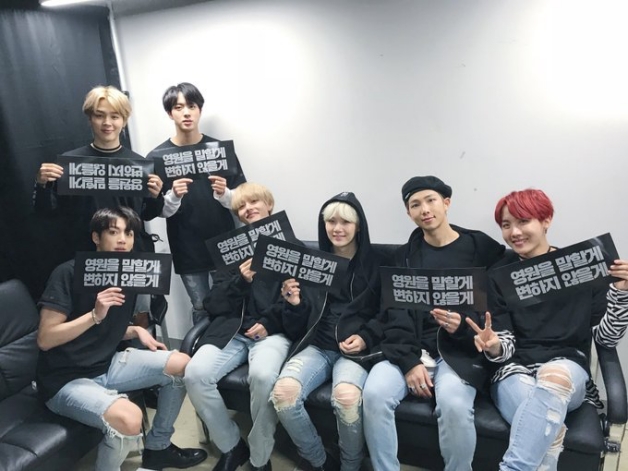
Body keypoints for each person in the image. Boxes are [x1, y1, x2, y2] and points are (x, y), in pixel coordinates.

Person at [467, 189, 628, 471]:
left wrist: (621, 293)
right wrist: (494, 345)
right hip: (514, 370)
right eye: (506, 225)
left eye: (523, 221)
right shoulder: (498, 277)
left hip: (567, 368)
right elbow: (504, 344)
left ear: (546, 220)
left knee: (553, 378)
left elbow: (606, 338)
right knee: (547, 428)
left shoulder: (584, 266)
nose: (515, 232)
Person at [35, 206, 207, 471]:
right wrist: (95, 314)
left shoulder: (129, 272)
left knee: (183, 365)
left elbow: (104, 329)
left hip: (106, 364)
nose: (122, 240)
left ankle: (158, 447)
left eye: (128, 233)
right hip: (65, 379)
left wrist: (134, 331)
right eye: (113, 232)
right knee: (130, 418)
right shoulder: (67, 273)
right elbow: (46, 339)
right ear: (96, 237)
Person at [362, 176, 504, 471]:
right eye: (415, 205)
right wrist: (408, 361)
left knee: (454, 405)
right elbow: (393, 312)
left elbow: (497, 304)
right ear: (408, 213)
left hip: (459, 352)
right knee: (374, 394)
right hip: (414, 349)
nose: (424, 209)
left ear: (446, 203)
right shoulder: (403, 257)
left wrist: (463, 327)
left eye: (431, 200)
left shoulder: (481, 249)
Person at [184, 182, 292, 471]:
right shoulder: (230, 250)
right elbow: (213, 304)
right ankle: (232, 446)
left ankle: (260, 457)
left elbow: (300, 301)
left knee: (262, 375)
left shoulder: (290, 246)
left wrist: (268, 323)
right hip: (230, 332)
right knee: (194, 374)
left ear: (269, 205)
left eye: (254, 202)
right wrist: (240, 280)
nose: (248, 209)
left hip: (272, 333)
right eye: (241, 206)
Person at [271, 192, 381, 471]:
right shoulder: (313, 263)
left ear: (358, 226)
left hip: (354, 352)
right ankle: (320, 461)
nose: (337, 228)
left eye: (345, 222)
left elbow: (388, 315)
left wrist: (366, 337)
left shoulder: (376, 264)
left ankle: (350, 465)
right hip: (317, 346)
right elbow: (296, 327)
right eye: (331, 221)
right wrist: (294, 304)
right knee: (283, 394)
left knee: (347, 398)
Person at [148, 82, 246, 324]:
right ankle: (201, 347)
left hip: (225, 244)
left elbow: (243, 199)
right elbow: (154, 210)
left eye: (191, 106)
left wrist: (225, 193)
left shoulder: (219, 150)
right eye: (178, 107)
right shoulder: (157, 157)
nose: (186, 113)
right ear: (170, 113)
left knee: (234, 303)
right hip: (187, 248)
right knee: (201, 307)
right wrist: (174, 196)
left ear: (200, 109)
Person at [33, 85, 164, 256]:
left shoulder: (140, 165)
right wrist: (42, 185)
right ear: (90, 118)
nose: (107, 123)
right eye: (99, 115)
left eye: (114, 116)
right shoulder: (70, 164)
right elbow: (47, 213)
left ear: (124, 121)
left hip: (131, 257)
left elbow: (147, 215)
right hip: (85, 256)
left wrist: (156, 196)